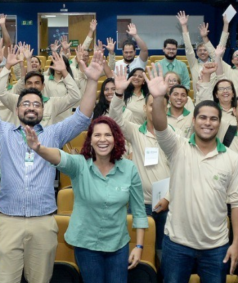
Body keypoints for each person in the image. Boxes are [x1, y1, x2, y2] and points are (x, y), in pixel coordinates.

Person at [0, 43, 103, 282]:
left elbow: (82, 118)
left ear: (43, 110)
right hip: (9, 220)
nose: (31, 107)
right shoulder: (3, 130)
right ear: (17, 109)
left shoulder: (53, 134)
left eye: (36, 104)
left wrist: (92, 80)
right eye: (26, 104)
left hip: (43, 221)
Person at [147, 63, 238, 282]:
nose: (207, 123)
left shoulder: (232, 159)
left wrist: (237, 243)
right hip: (176, 244)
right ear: (193, 121)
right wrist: (157, 98)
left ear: (219, 123)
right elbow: (161, 126)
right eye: (202, 117)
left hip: (216, 247)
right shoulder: (177, 147)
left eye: (213, 119)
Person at [23, 116, 147, 283]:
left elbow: (139, 211)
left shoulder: (129, 168)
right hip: (86, 245)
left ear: (116, 139)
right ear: (90, 140)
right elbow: (60, 157)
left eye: (107, 135)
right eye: (97, 135)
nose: (102, 139)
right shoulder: (79, 165)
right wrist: (39, 149)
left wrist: (139, 246)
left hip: (118, 245)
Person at [109, 66, 172, 250]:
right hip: (139, 203)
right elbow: (115, 120)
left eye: (159, 105)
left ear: (166, 108)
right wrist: (119, 93)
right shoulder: (135, 132)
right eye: (151, 105)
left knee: (164, 252)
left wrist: (169, 197)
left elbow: (182, 171)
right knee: (137, 250)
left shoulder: (174, 137)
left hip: (169, 204)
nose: (154, 109)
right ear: (145, 108)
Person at [0, 50, 80, 127]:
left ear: (43, 86)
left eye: (37, 83)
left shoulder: (52, 103)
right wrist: (7, 65)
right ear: (24, 86)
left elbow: (75, 96)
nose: (33, 86)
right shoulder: (16, 101)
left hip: (45, 143)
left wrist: (64, 71)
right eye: (29, 83)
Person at [177, 11, 221, 86]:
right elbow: (188, 48)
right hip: (198, 97)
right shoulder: (194, 64)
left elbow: (214, 54)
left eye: (205, 50)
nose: (202, 52)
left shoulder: (215, 64)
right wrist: (184, 26)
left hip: (213, 97)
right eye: (200, 50)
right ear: (196, 53)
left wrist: (204, 37)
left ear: (208, 52)